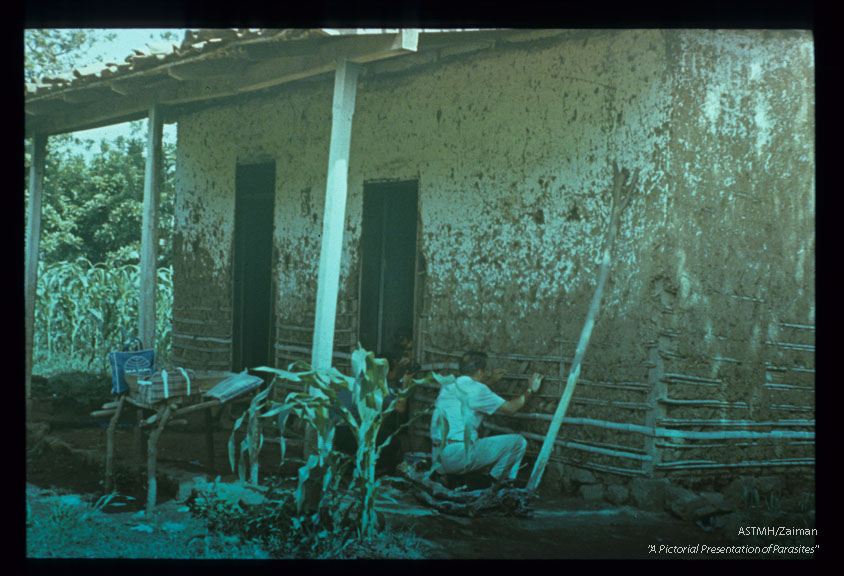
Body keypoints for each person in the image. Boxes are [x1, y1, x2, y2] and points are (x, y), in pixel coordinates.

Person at [430, 350, 543, 483]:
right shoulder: (479, 389)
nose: (486, 373)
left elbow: (470, 396)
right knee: (518, 442)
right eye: (485, 370)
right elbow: (511, 408)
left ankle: (452, 478)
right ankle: (493, 484)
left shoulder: (448, 386)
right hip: (458, 455)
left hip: (438, 457)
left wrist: (491, 381)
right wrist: (530, 389)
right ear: (479, 372)